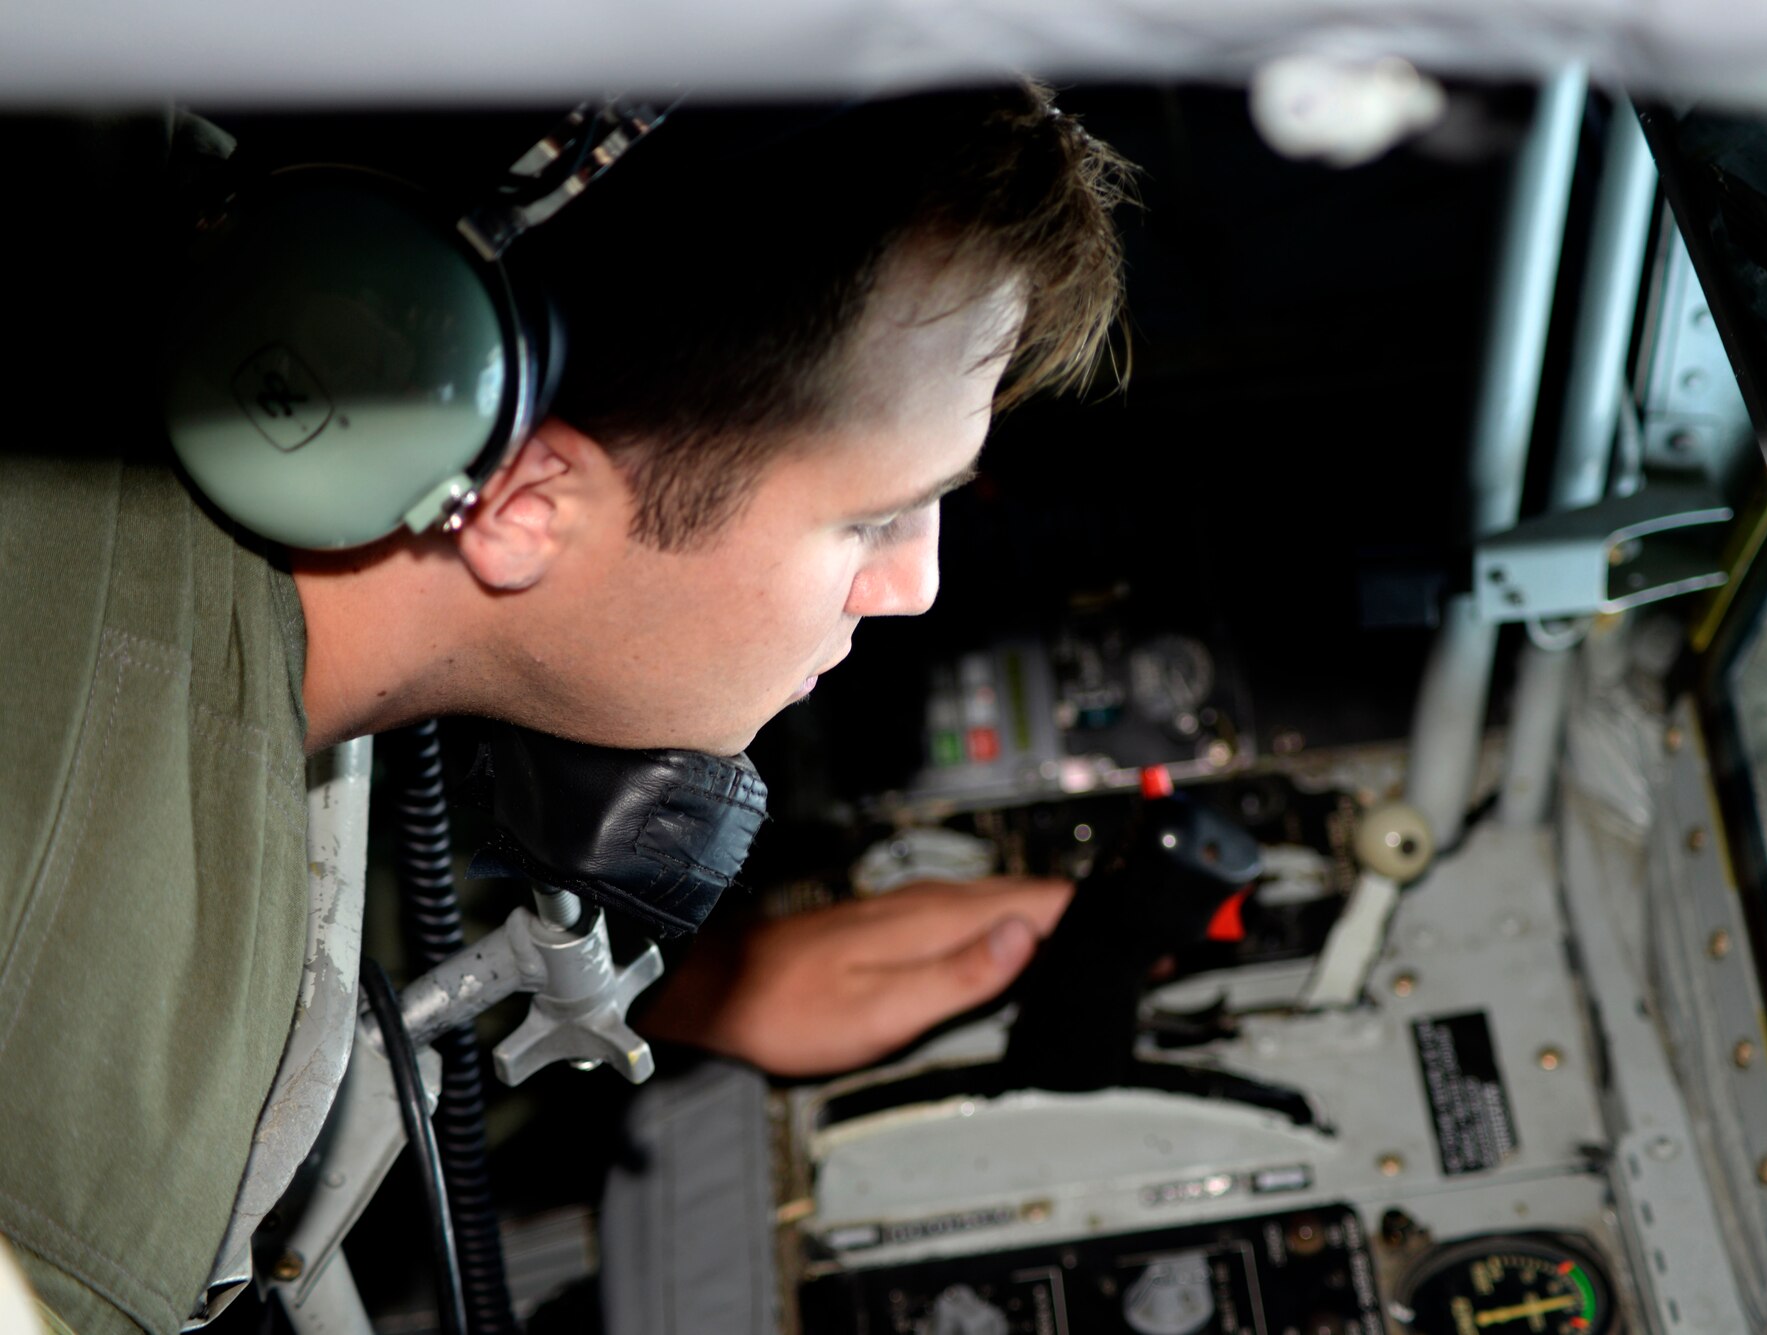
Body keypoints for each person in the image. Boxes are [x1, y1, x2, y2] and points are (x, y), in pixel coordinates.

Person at [0, 83, 1129, 1333]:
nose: (913, 586)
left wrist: (706, 997)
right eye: (871, 520)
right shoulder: (91, 1178)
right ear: (525, 510)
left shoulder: (80, 147)